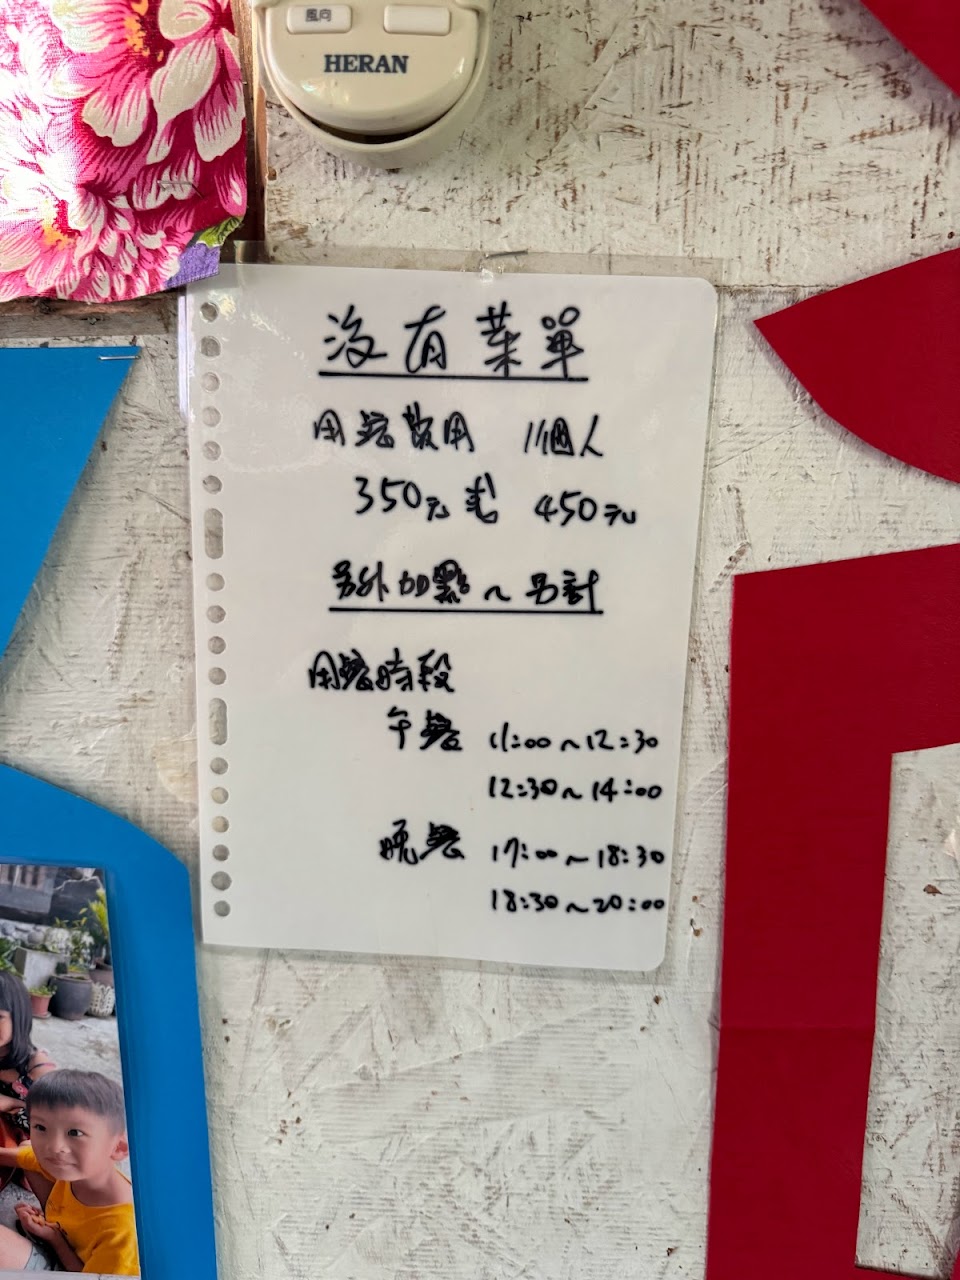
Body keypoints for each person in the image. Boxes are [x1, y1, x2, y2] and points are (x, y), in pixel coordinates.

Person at [0, 1069, 139, 1274]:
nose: (54, 1146)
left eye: (75, 1132)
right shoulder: (80, 1169)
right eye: (40, 1127)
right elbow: (27, 1157)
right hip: (59, 1232)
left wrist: (55, 1240)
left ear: (119, 1147)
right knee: (27, 1150)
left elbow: (87, 1277)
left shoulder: (123, 1232)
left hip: (72, 1270)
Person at [0, 971, 55, 1139]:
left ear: (19, 1017)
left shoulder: (39, 1068)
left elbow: (59, 1124)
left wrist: (12, 1103)